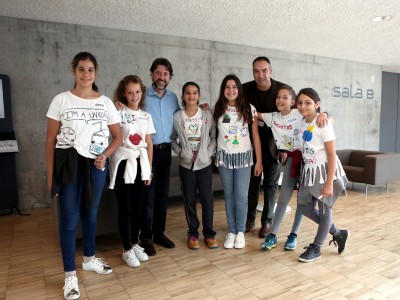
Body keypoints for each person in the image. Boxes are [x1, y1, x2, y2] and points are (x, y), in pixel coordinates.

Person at [45, 52, 122, 300]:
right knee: (69, 218)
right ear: (73, 71)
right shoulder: (61, 100)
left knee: (91, 212)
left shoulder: (105, 102)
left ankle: (89, 258)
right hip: (68, 164)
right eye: (81, 69)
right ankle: (69, 275)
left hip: (95, 165)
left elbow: (117, 137)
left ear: (95, 73)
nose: (86, 74)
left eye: (90, 70)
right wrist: (51, 177)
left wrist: (105, 154)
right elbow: (49, 140)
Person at [258, 86, 328, 251]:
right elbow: (254, 114)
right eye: (278, 97)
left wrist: (326, 114)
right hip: (291, 159)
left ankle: (293, 235)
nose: (280, 100)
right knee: (283, 198)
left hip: (307, 161)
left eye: (284, 97)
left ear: (293, 102)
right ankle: (272, 235)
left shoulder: (300, 113)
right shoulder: (273, 116)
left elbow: (323, 119)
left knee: (302, 201)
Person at [295, 87, 349, 262]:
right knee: (304, 207)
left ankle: (316, 248)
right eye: (300, 102)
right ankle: (338, 233)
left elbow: (332, 154)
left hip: (325, 173)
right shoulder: (302, 122)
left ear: (317, 104)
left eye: (308, 102)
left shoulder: (323, 123)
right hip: (309, 172)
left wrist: (328, 183)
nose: (303, 106)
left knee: (326, 212)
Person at [108, 75, 155, 267]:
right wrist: (113, 108)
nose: (134, 95)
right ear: (123, 94)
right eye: (130, 92)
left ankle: (135, 244)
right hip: (124, 165)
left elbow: (149, 143)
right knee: (125, 209)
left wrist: (149, 170)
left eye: (137, 91)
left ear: (142, 92)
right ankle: (126, 249)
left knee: (137, 208)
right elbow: (108, 132)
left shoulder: (146, 115)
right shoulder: (117, 112)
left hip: (141, 165)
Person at [214, 74, 263, 249]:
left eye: (234, 87)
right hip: (224, 158)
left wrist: (259, 162)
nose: (231, 90)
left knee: (241, 197)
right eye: (227, 87)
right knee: (228, 196)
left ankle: (241, 232)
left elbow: (255, 136)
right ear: (223, 90)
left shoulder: (249, 108)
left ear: (239, 89)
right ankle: (232, 231)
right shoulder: (217, 108)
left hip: (244, 159)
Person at [243, 56, 287, 238]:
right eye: (256, 71)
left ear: (271, 71)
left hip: (274, 146)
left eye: (264, 70)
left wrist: (285, 147)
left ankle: (267, 222)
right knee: (252, 184)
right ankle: (249, 219)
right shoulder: (244, 89)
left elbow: (288, 118)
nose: (260, 75)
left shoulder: (282, 90)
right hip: (250, 145)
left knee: (271, 185)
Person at [139, 58, 180, 256]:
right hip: (148, 151)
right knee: (148, 197)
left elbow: (182, 118)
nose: (161, 77)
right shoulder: (141, 96)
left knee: (163, 196)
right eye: (158, 73)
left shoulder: (173, 98)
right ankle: (145, 237)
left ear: (170, 77)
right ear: (151, 74)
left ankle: (158, 233)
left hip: (166, 151)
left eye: (165, 74)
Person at [171, 82, 218, 250]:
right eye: (188, 93)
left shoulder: (206, 115)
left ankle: (209, 234)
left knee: (207, 200)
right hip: (186, 165)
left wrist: (208, 153)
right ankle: (192, 233)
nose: (191, 96)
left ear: (199, 95)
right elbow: (171, 139)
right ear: (183, 96)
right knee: (189, 200)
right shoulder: (177, 117)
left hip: (204, 164)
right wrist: (182, 152)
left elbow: (214, 138)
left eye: (195, 93)